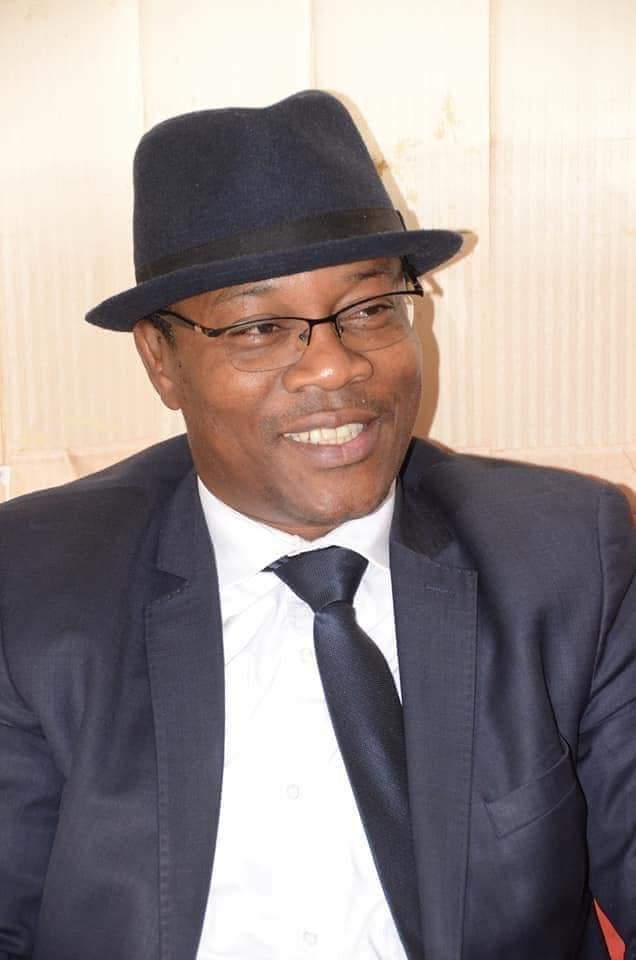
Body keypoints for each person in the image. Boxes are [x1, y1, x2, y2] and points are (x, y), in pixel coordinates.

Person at [0, 90, 633, 960]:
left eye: (370, 309)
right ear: (160, 360)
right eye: (261, 327)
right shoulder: (35, 582)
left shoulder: (566, 558)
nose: (335, 366)